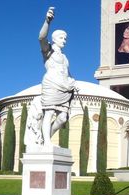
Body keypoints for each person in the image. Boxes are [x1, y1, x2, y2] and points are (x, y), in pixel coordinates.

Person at [38, 7, 77, 147]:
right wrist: (47, 21)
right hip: (51, 85)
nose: (64, 40)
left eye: (65, 38)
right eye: (61, 38)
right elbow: (41, 37)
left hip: (64, 88)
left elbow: (67, 73)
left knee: (62, 118)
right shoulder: (48, 51)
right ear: (54, 39)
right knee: (48, 113)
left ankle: (45, 139)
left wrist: (73, 82)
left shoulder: (65, 57)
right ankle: (47, 142)